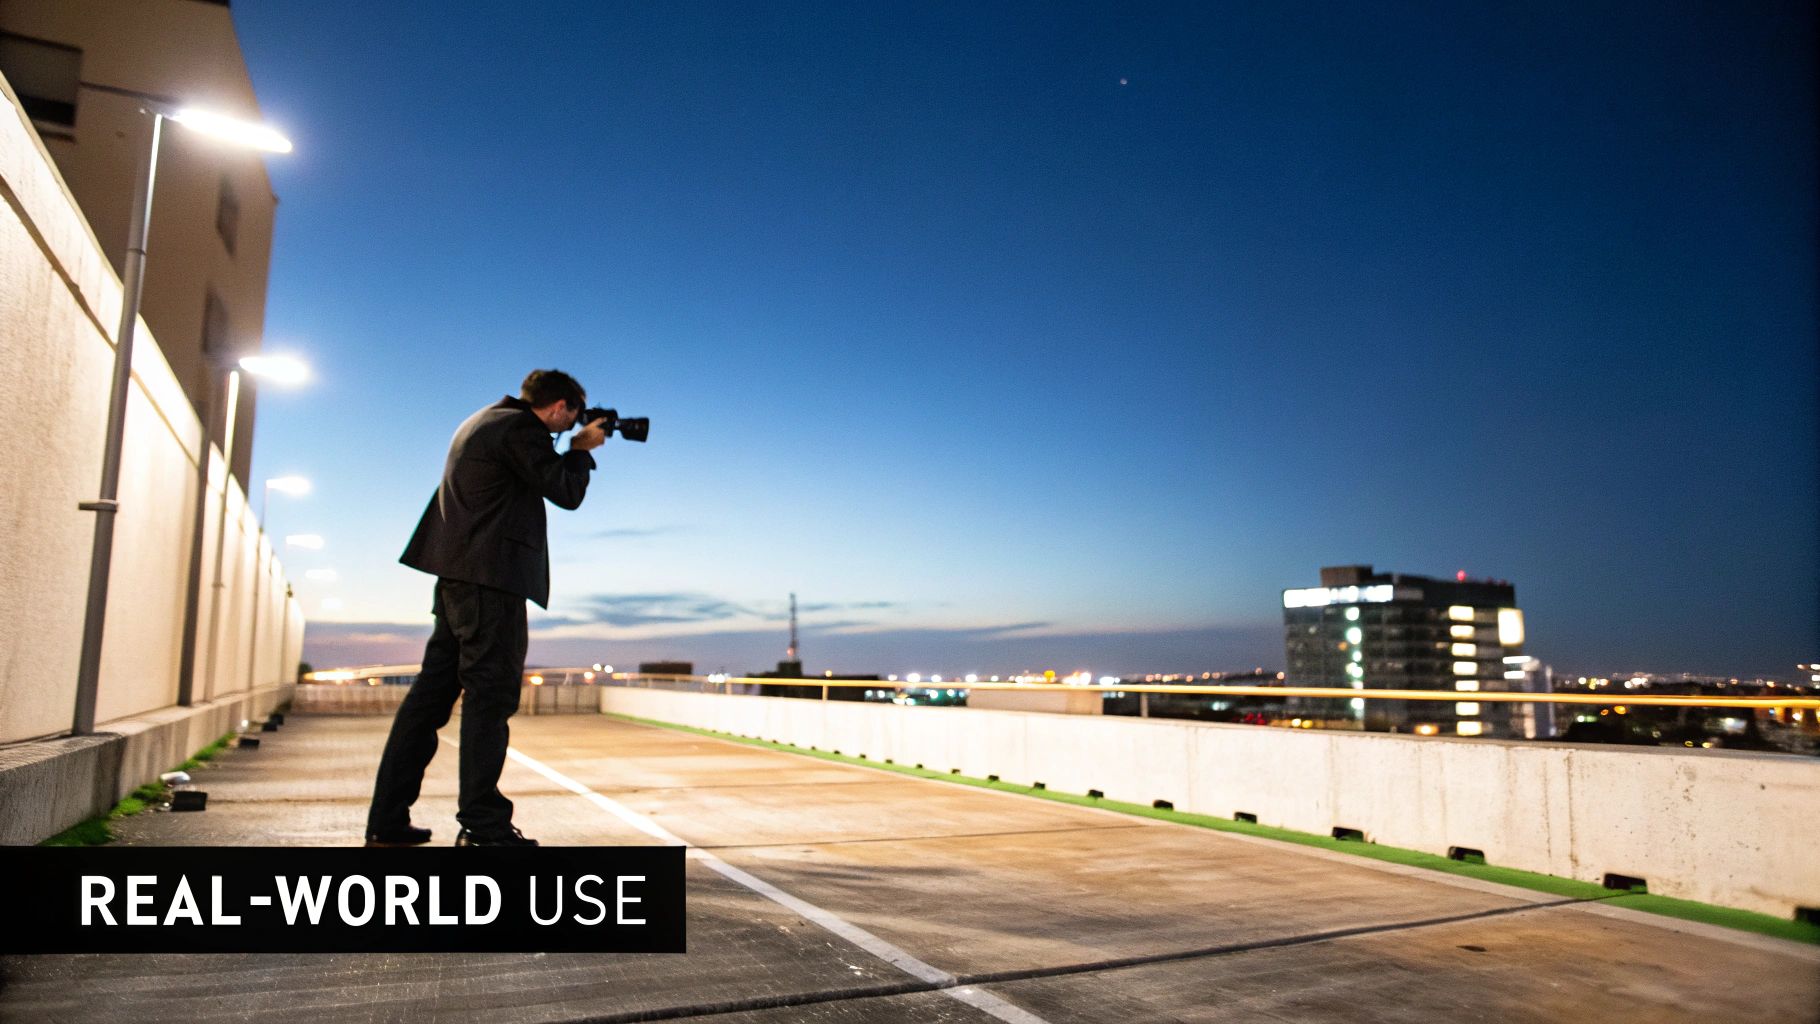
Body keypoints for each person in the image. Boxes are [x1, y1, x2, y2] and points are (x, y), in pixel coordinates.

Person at [364, 369, 606, 847]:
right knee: (489, 700)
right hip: (490, 583)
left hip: (459, 577)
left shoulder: (483, 420)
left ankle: (387, 820)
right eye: (572, 414)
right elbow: (565, 492)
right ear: (559, 407)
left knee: (429, 701)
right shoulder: (520, 429)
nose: (572, 423)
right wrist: (579, 451)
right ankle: (484, 827)